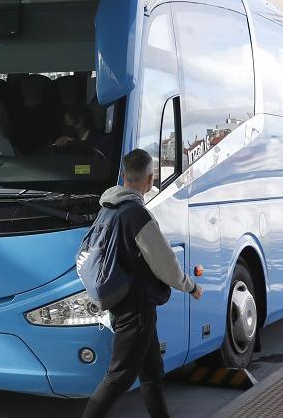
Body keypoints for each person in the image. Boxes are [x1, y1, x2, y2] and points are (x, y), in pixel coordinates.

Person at [83, 149, 203, 418]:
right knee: (119, 377)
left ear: (124, 175)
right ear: (150, 180)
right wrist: (190, 286)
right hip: (134, 307)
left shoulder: (107, 209)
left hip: (126, 304)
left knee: (151, 371)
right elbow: (165, 264)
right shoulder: (137, 215)